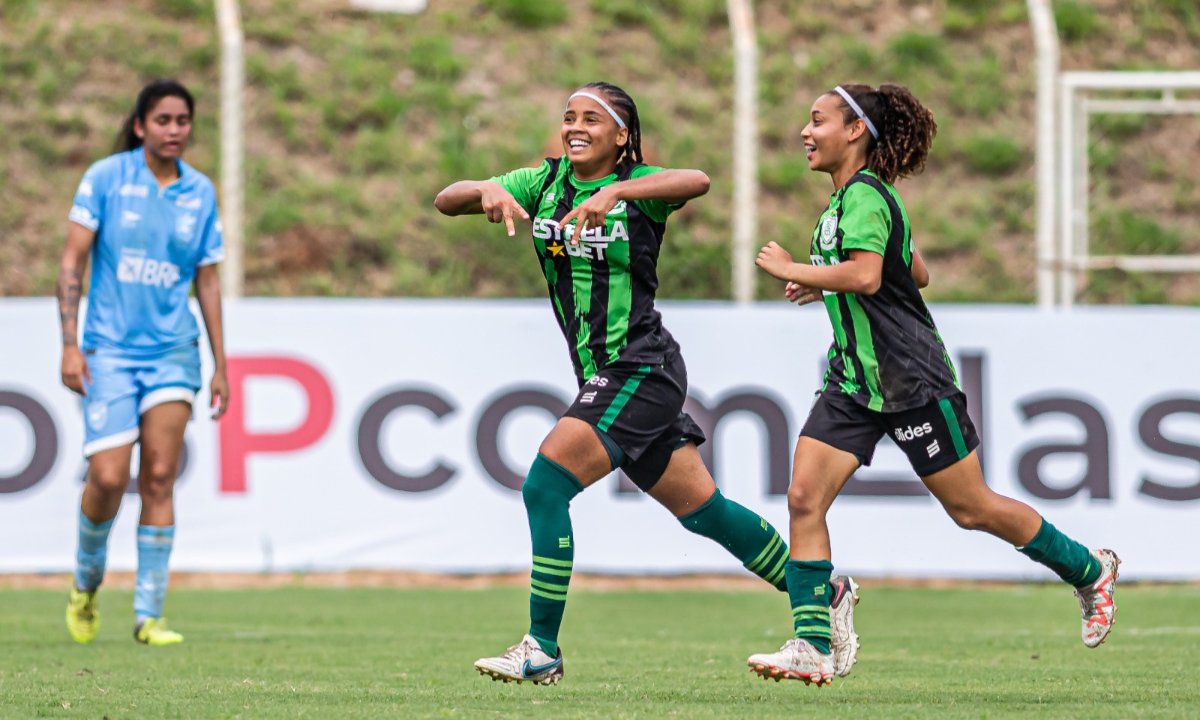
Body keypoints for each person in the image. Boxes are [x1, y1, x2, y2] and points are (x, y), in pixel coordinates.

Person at [434, 81, 859, 685]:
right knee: (705, 514)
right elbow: (446, 200)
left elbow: (698, 179)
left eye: (591, 119)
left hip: (641, 367)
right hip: (608, 374)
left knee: (545, 487)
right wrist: (487, 189)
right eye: (568, 117)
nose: (575, 127)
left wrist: (617, 190)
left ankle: (541, 648)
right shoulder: (544, 182)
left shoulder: (642, 192)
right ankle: (825, 589)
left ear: (622, 135)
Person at [746, 83, 1119, 686]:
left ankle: (1088, 569)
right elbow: (913, 270)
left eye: (817, 121)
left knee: (972, 509)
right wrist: (825, 283)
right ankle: (814, 642)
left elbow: (870, 275)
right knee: (803, 499)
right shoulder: (847, 203)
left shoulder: (865, 196)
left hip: (913, 382)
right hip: (853, 382)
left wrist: (799, 269)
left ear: (855, 131)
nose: (805, 133)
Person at [57, 78, 229, 647]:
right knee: (108, 476)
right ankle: (85, 584)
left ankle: (148, 616)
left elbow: (207, 281)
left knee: (159, 476)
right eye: (163, 120)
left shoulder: (200, 192)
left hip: (174, 353)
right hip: (108, 349)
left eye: (183, 120)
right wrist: (69, 342)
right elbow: (70, 265)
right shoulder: (106, 178)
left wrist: (220, 364)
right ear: (140, 125)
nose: (174, 129)